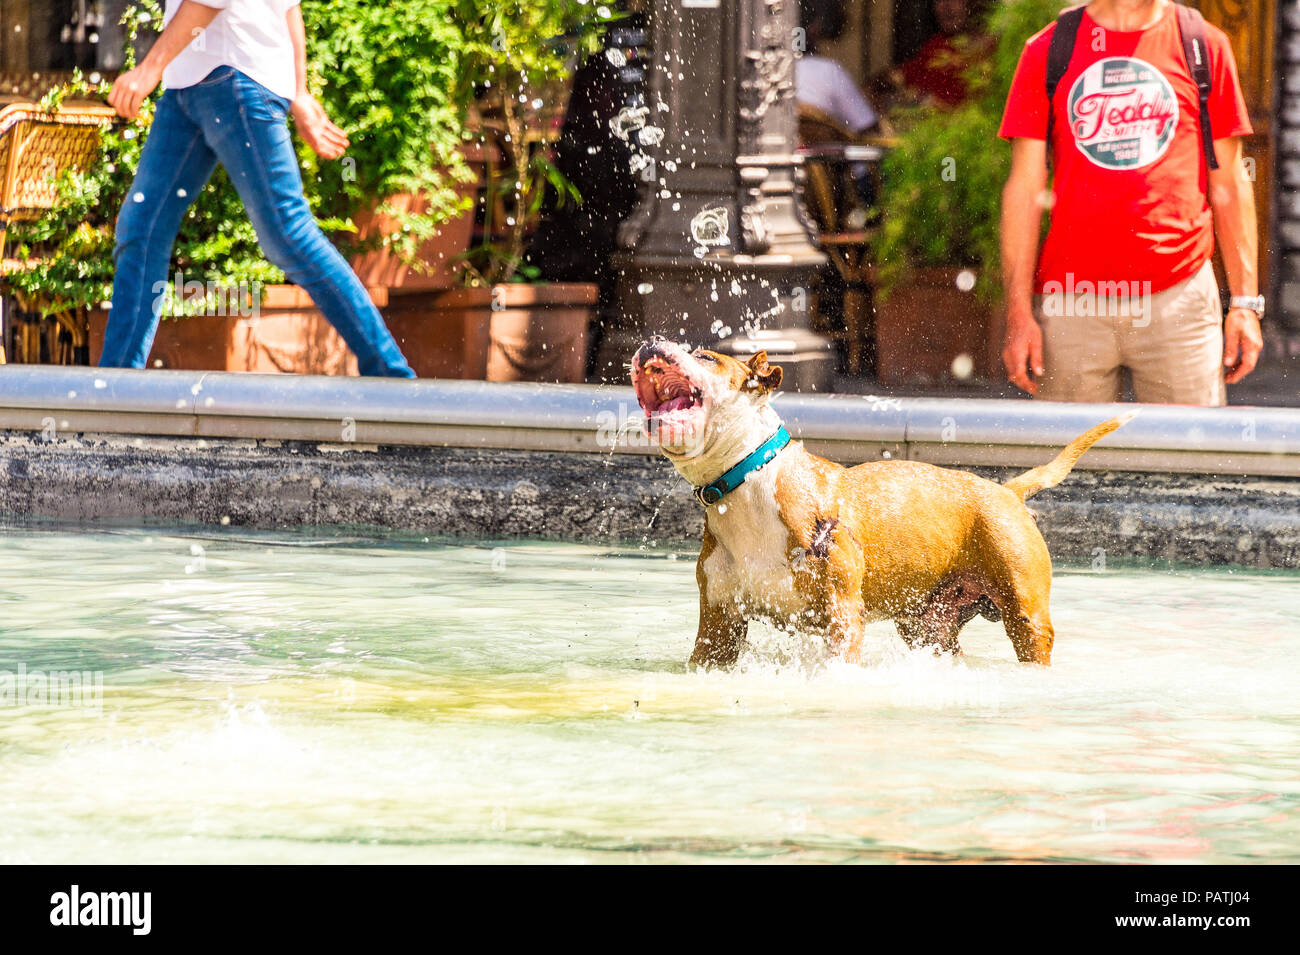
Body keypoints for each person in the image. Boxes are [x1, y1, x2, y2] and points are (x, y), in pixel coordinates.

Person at [101, 0, 415, 377]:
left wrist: (148, 69)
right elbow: (289, 7)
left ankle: (391, 373)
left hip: (235, 81)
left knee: (288, 232)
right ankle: (117, 383)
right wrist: (298, 92)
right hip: (186, 87)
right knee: (141, 229)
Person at [999, 0, 1261, 405]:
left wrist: (1244, 303)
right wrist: (1018, 311)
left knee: (1187, 463)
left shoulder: (1203, 45)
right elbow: (1024, 188)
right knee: (1067, 462)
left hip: (1181, 297)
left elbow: (1230, 182)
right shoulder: (1049, 49)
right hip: (1072, 300)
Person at [795, 0, 881, 135]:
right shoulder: (829, 72)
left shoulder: (765, 72)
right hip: (825, 155)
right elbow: (868, 127)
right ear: (814, 29)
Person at [899, 0, 989, 108]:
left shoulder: (997, 49)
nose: (946, 6)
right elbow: (900, 80)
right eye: (939, 0)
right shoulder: (935, 47)